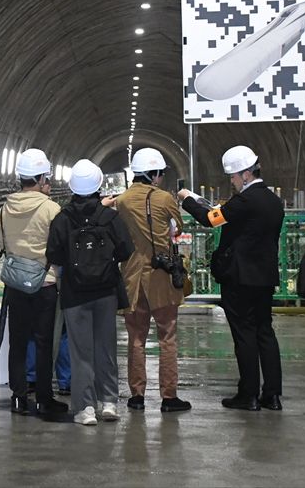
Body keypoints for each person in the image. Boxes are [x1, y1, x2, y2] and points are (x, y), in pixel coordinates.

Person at [179, 145, 284, 411]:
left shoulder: (244, 201)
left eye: (234, 177)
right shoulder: (273, 201)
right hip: (265, 278)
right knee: (265, 333)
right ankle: (272, 394)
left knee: (244, 335)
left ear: (246, 174)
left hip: (239, 279)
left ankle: (248, 394)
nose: (233, 182)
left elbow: (209, 219)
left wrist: (187, 200)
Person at [46, 159, 132, 426]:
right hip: (106, 291)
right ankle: (109, 402)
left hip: (74, 293)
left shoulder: (63, 219)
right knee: (106, 346)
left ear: (72, 187)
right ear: (98, 186)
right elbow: (126, 250)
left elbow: (53, 254)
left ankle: (85, 408)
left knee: (80, 352)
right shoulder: (109, 217)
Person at [114, 147, 191, 413]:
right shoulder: (164, 198)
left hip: (133, 277)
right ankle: (169, 397)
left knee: (136, 338)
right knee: (167, 336)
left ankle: (136, 396)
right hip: (161, 277)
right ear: (154, 174)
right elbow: (178, 228)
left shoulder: (122, 200)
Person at [0, 148, 67, 416]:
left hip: (15, 284)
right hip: (44, 284)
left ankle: (18, 397)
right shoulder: (51, 209)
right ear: (39, 179)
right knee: (43, 341)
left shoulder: (4, 209)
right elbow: (58, 246)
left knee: (17, 341)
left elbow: (2, 243)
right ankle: (44, 399)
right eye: (46, 177)